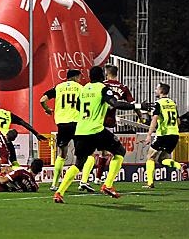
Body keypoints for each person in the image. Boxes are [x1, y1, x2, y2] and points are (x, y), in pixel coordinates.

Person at [53, 66, 152, 203]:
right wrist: (139, 106)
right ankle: (108, 184)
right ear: (102, 77)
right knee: (120, 151)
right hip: (96, 130)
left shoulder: (84, 89)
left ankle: (59, 192)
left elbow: (77, 107)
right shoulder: (102, 88)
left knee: (78, 164)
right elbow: (115, 104)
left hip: (81, 130)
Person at [85, 64, 145, 187]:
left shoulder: (101, 85)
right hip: (109, 122)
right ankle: (100, 179)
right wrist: (140, 117)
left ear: (106, 73)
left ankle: (87, 180)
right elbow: (131, 103)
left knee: (91, 152)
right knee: (109, 152)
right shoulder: (122, 87)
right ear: (116, 73)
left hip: (94, 121)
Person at [39, 69, 83, 191]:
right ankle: (82, 182)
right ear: (75, 77)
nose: (80, 79)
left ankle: (54, 184)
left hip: (62, 124)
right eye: (79, 77)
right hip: (77, 123)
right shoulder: (80, 88)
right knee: (81, 154)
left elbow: (42, 100)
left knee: (62, 154)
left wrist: (47, 109)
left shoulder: (59, 87)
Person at [143, 83, 188, 188]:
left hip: (163, 134)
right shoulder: (173, 103)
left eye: (156, 89)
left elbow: (154, 120)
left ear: (161, 91)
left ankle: (150, 183)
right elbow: (178, 121)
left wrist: (149, 135)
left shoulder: (158, 103)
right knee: (162, 159)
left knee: (150, 157)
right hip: (174, 134)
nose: (155, 91)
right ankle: (179, 165)